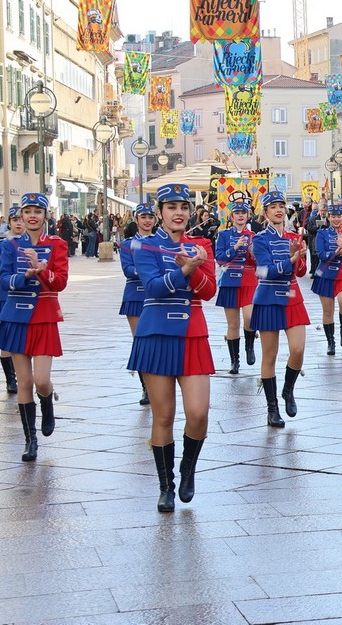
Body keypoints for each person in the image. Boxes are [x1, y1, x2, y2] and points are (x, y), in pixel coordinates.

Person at [127, 184, 217, 510]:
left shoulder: (202, 245)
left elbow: (209, 292)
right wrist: (185, 270)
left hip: (193, 334)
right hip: (156, 333)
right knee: (163, 415)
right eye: (171, 207)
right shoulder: (145, 246)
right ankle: (166, 485)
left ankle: (187, 468)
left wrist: (194, 271)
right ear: (159, 212)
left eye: (183, 207)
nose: (178, 213)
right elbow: (152, 287)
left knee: (198, 413)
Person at [0, 193, 69, 461]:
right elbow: (3, 278)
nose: (32, 216)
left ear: (45, 216)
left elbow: (61, 282)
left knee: (41, 381)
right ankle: (30, 440)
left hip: (44, 316)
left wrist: (42, 270)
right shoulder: (10, 246)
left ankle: (47, 402)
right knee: (24, 382)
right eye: (28, 212)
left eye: (37, 211)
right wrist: (23, 276)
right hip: (16, 316)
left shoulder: (57, 244)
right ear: (21, 216)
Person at [249, 190, 309, 428]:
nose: (278, 210)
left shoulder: (294, 237)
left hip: (292, 296)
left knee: (298, 349)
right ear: (265, 212)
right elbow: (265, 271)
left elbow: (301, 272)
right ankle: (272, 408)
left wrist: (300, 256)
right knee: (270, 355)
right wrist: (291, 260)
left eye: (281, 206)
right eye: (273, 207)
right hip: (268, 298)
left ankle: (288, 390)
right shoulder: (259, 240)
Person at [214, 201, 258, 374]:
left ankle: (249, 346)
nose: (240, 216)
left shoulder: (254, 236)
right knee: (233, 324)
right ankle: (234, 360)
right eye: (237, 213)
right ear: (231, 217)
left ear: (248, 216)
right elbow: (220, 259)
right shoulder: (223, 235)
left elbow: (259, 261)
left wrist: (253, 253)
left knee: (250, 317)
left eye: (243, 213)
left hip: (249, 281)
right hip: (229, 282)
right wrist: (235, 248)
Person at [120, 203, 159, 403]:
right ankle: (146, 388)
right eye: (143, 217)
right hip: (135, 296)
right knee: (140, 342)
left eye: (150, 217)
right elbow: (128, 270)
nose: (147, 221)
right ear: (136, 220)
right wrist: (147, 272)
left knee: (158, 341)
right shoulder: (128, 244)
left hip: (157, 296)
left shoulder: (160, 242)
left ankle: (158, 384)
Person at [312, 203, 342, 356]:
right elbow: (320, 253)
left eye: (338, 216)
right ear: (329, 217)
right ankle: (330, 342)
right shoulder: (322, 233)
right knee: (327, 311)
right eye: (333, 216)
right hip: (326, 274)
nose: (336, 219)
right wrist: (335, 252)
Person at [0, 207, 24, 395]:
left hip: (28, 297)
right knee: (7, 339)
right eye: (15, 220)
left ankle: (25, 376)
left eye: (21, 219)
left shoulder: (34, 244)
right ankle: (11, 379)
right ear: (9, 223)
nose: (19, 223)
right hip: (6, 296)